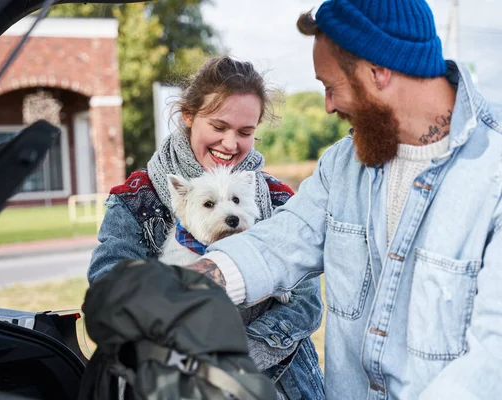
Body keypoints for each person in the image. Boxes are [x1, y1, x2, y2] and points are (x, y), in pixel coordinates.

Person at [176, 1, 502, 399]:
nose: (328, 105)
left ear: (378, 72)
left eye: (331, 87)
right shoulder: (342, 164)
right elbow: (281, 242)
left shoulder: (492, 175)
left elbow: (492, 356)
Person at [87, 56, 325, 399]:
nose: (230, 144)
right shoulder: (138, 198)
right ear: (188, 115)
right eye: (218, 127)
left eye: (245, 132)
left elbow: (305, 303)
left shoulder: (279, 199)